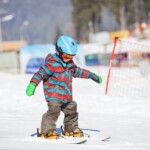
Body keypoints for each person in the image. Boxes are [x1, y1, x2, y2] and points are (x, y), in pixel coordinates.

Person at [26, 35, 102, 139]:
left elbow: (78, 71)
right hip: (53, 95)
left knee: (72, 109)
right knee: (54, 110)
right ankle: (47, 131)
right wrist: (32, 84)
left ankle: (70, 129)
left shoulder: (70, 65)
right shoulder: (51, 64)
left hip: (66, 96)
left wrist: (91, 75)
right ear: (59, 51)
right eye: (67, 56)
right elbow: (39, 74)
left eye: (71, 57)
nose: (69, 59)